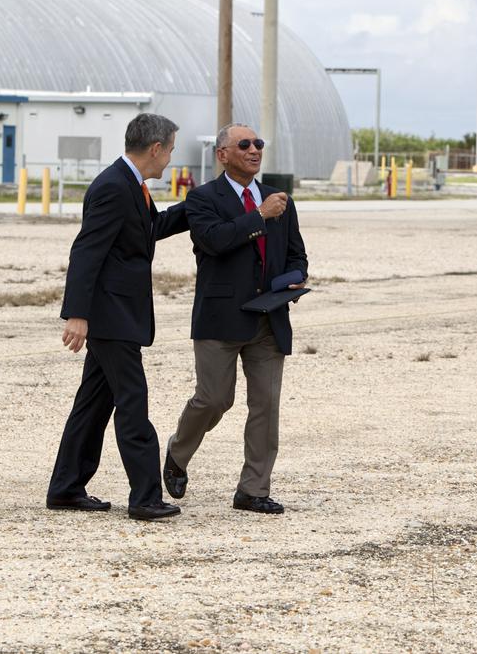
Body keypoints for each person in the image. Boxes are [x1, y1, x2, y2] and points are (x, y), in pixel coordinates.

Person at [47, 113, 189, 521]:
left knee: (92, 405)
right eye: (171, 151)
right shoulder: (114, 186)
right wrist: (77, 313)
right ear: (156, 148)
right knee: (132, 402)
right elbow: (87, 251)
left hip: (117, 314)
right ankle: (145, 497)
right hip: (111, 316)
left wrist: (195, 205)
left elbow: (151, 227)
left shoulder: (133, 185)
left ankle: (66, 487)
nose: (170, 160)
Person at [163, 123, 308, 515]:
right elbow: (215, 241)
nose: (254, 150)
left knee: (266, 404)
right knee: (214, 399)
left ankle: (253, 489)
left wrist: (296, 278)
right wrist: (260, 215)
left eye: (258, 143)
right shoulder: (203, 199)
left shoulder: (281, 201)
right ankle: (177, 452)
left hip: (269, 317)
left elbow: (297, 253)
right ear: (222, 154)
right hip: (220, 316)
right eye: (244, 144)